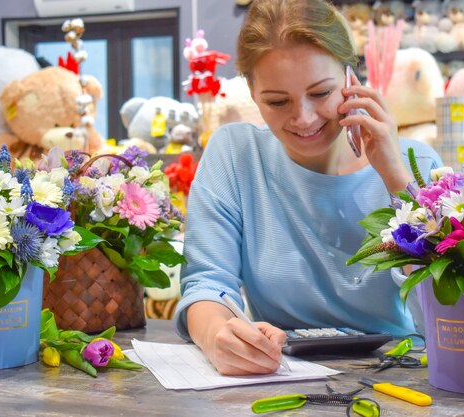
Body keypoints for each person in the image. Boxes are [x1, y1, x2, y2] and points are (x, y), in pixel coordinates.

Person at [173, 0, 442, 376]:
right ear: (252, 92)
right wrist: (217, 334)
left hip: (405, 377)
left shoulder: (417, 164)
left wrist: (397, 181)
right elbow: (206, 282)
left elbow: (448, 316)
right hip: (279, 375)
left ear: (351, 79)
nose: (304, 118)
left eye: (320, 93)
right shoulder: (235, 155)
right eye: (277, 101)